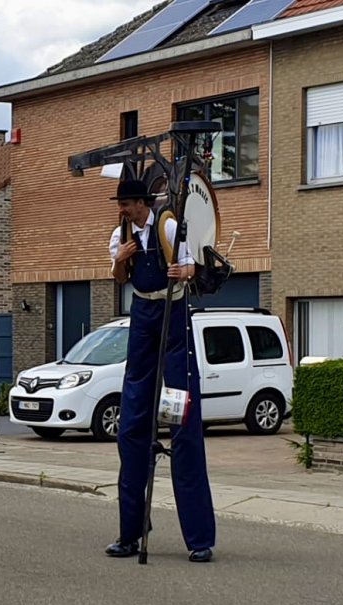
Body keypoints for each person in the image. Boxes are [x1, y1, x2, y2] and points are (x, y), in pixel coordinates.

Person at [106, 178, 216, 563]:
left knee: (181, 414)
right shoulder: (119, 234)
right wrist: (120, 259)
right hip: (142, 314)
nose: (121, 210)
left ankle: (200, 538)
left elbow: (195, 267)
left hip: (173, 312)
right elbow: (118, 279)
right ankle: (130, 533)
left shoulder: (169, 226)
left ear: (141, 203)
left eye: (125, 204)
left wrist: (183, 272)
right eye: (119, 204)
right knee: (133, 420)